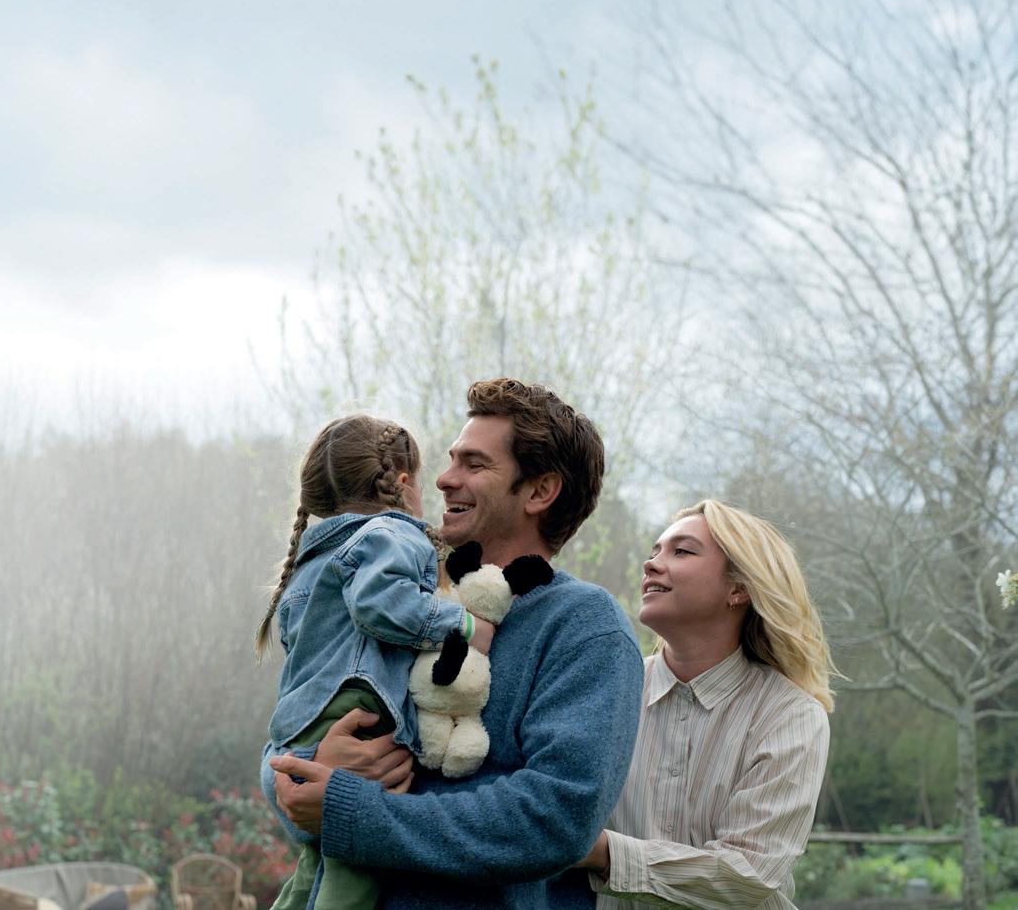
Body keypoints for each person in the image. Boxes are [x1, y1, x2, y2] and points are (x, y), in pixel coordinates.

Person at [267, 377, 645, 910]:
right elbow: (292, 732)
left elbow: (556, 818)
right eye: (450, 461)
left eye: (474, 464)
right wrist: (302, 775)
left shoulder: (585, 626)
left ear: (539, 492)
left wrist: (350, 809)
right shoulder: (402, 604)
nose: (445, 480)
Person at [258, 413, 495, 910]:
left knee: (316, 865)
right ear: (403, 483)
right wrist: (464, 624)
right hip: (358, 711)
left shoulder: (311, 560)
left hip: (305, 725)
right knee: (354, 873)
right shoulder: (391, 532)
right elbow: (379, 602)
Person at [577, 499, 833, 910]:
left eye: (681, 551)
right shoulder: (608, 686)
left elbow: (748, 873)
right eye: (655, 551)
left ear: (739, 589)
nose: (651, 564)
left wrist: (602, 852)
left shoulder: (791, 714)